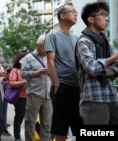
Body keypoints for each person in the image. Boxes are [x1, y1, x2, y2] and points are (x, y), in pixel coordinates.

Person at [44, 3, 83, 141]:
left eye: (75, 11)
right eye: (72, 11)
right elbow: (50, 61)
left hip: (77, 88)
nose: (75, 13)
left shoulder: (77, 38)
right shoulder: (52, 35)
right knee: (61, 129)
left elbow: (80, 64)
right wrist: (57, 85)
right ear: (62, 15)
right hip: (62, 86)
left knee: (80, 127)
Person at [76, 2, 118, 125]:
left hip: (111, 97)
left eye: (108, 15)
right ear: (91, 19)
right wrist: (113, 58)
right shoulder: (84, 41)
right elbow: (91, 67)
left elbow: (117, 66)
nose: (107, 18)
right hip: (94, 100)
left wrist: (105, 68)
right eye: (103, 15)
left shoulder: (106, 43)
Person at [22, 34, 53, 141]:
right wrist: (36, 72)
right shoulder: (28, 58)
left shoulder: (51, 57)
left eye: (47, 47)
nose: (45, 50)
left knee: (47, 123)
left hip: (48, 95)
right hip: (34, 94)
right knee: (30, 122)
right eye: (43, 47)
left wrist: (52, 73)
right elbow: (23, 74)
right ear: (37, 45)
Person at [9, 52, 27, 141]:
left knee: (29, 118)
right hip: (20, 97)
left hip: (30, 96)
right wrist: (24, 82)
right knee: (19, 117)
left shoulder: (28, 70)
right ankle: (17, 137)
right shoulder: (15, 70)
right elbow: (12, 83)